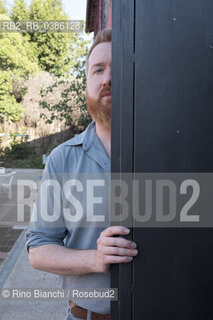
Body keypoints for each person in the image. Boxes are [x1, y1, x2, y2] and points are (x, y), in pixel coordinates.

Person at [26, 28, 138, 320]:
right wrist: (95, 258)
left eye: (119, 68)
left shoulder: (173, 153)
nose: (108, 79)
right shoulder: (63, 159)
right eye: (98, 70)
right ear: (86, 84)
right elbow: (38, 249)